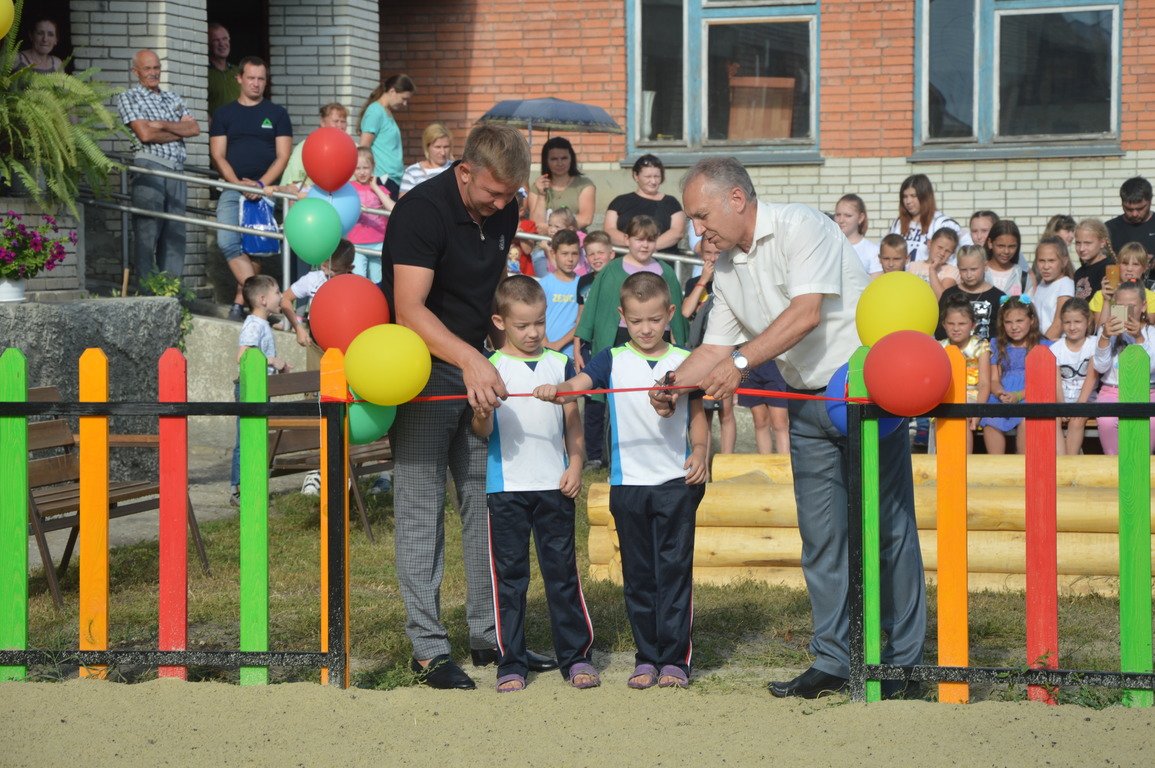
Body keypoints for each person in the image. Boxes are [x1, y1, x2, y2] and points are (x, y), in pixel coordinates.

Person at [656, 156, 925, 700]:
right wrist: (672, 382)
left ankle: (902, 664)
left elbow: (805, 313)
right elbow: (713, 347)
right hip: (804, 406)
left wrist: (735, 367)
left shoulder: (803, 225)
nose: (697, 229)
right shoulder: (726, 270)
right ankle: (835, 658)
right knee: (821, 539)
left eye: (701, 215)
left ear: (736, 199)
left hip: (862, 395)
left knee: (888, 531)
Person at [380, 123, 556, 690]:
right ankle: (428, 650)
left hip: (479, 369)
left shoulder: (503, 206)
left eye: (511, 195)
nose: (503, 206)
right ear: (464, 171)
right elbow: (409, 309)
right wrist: (471, 360)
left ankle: (491, 638)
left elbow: (487, 292)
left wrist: (503, 352)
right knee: (421, 510)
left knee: (487, 505)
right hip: (422, 369)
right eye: (493, 194)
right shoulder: (419, 213)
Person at [536, 271, 708, 689]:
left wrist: (701, 452)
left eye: (653, 319)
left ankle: (675, 661)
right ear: (621, 317)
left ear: (670, 314)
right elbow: (582, 382)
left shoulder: (686, 360)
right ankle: (646, 657)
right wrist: (561, 389)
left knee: (673, 572)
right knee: (638, 576)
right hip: (628, 486)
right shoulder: (611, 359)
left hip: (675, 484)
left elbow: (698, 418)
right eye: (635, 321)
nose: (645, 329)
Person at [470, 275, 596, 692]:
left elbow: (573, 423)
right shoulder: (488, 367)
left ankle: (576, 657)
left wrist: (575, 464)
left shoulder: (561, 365)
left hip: (555, 487)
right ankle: (511, 662)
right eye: (523, 325)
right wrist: (484, 410)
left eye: (539, 322)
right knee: (510, 578)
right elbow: (481, 430)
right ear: (500, 321)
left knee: (562, 574)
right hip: (505, 490)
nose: (533, 332)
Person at [209, 56, 293, 321]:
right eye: (251, 78)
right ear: (239, 79)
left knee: (255, 247)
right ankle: (265, 300)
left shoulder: (277, 114)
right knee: (228, 240)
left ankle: (242, 303)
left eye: (261, 79)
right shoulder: (224, 114)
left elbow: (283, 155)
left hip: (266, 189)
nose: (256, 84)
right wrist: (239, 184)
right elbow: (218, 155)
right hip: (233, 188)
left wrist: (260, 185)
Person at [116, 50, 200, 281]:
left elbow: (194, 129)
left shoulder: (173, 98)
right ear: (136, 72)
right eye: (147, 68)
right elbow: (144, 134)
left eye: (156, 68)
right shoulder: (129, 97)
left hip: (177, 169)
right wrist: (176, 130)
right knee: (147, 231)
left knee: (175, 233)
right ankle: (147, 288)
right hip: (150, 167)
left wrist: (160, 125)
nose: (153, 73)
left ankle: (171, 291)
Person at [573, 215, 688, 372]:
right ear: (627, 239)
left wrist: (678, 345)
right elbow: (590, 312)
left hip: (657, 336)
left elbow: (676, 319)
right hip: (618, 337)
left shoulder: (666, 271)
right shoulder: (610, 271)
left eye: (650, 240)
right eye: (639, 239)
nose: (645, 245)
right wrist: (579, 347)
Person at [229, 274, 290, 506]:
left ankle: (252, 485)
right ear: (263, 299)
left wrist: (277, 366)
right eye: (277, 293)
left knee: (256, 438)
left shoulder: (263, 323)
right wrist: (273, 361)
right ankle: (239, 489)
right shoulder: (254, 325)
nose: (281, 297)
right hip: (249, 389)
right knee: (246, 439)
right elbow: (243, 355)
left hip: (260, 388)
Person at [682, 238, 737, 456]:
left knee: (726, 410)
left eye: (717, 253)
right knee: (702, 412)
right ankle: (702, 463)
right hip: (702, 353)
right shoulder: (695, 282)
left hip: (728, 353)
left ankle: (727, 462)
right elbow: (686, 312)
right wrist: (703, 280)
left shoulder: (732, 279)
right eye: (707, 253)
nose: (712, 259)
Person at [979, 296, 1053, 455]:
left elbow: (1044, 383)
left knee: (1028, 420)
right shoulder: (997, 344)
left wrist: (1018, 396)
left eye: (1020, 321)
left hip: (1031, 394)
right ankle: (996, 466)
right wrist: (1000, 393)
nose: (1014, 327)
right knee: (991, 419)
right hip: (1003, 393)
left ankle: (1022, 467)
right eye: (1008, 322)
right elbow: (993, 379)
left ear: (1031, 320)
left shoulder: (1043, 346)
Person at [1092, 280, 1155, 455]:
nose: (1126, 311)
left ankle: (1141, 464)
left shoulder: (1151, 333)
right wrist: (1104, 337)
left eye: (1131, 306)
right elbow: (1100, 366)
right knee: (1106, 420)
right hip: (1113, 390)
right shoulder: (1107, 331)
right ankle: (1113, 466)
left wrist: (1139, 338)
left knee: (1150, 420)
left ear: (1143, 306)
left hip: (1147, 390)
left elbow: (1150, 368)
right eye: (1120, 306)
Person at [576, 231, 615, 471]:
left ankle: (612, 454)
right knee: (592, 406)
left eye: (601, 252)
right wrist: (578, 349)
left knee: (614, 404)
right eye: (591, 254)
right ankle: (593, 456)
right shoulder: (583, 282)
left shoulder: (619, 277)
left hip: (613, 346)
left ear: (611, 254)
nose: (596, 257)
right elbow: (581, 318)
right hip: (589, 348)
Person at [280, 239, 356, 349]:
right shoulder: (313, 279)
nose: (326, 272)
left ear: (349, 268)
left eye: (333, 270)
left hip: (346, 340)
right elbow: (285, 298)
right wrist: (298, 327)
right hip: (316, 340)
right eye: (324, 266)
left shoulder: (355, 285)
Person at [939, 294, 990, 454]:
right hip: (947, 397)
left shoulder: (980, 346)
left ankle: (964, 462)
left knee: (962, 417)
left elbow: (984, 383)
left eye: (962, 324)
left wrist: (977, 412)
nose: (956, 328)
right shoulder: (940, 348)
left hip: (973, 396)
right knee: (942, 417)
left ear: (973, 325)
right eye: (951, 323)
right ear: (943, 324)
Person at [604, 155, 687, 254]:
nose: (653, 181)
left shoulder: (671, 202)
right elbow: (608, 230)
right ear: (636, 176)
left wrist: (649, 247)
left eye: (657, 176)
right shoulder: (620, 202)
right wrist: (635, 246)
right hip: (625, 262)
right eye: (648, 177)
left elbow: (677, 232)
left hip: (661, 262)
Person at [358, 74, 415, 198]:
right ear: (392, 91)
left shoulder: (386, 112)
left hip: (394, 178)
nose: (405, 103)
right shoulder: (375, 111)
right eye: (403, 98)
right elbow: (364, 148)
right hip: (383, 178)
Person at [1054, 298, 1098, 456]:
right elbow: (1056, 382)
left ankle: (1069, 461)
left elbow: (1091, 378)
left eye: (1077, 321)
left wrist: (1079, 404)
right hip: (1062, 399)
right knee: (1053, 419)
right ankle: (1059, 461)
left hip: (1086, 400)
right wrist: (1061, 405)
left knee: (1077, 419)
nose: (1072, 327)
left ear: (1088, 321)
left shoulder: (1093, 344)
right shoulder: (1056, 348)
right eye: (1067, 322)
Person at [275, 103, 349, 196]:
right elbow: (294, 186)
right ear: (322, 122)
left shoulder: (354, 147)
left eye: (343, 121)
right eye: (336, 121)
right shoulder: (306, 147)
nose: (340, 126)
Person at [889, 174, 965, 262]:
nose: (908, 201)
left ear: (925, 196)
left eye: (913, 196)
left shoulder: (943, 223)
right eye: (905, 196)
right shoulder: (898, 223)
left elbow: (966, 251)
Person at [527, 137, 597, 231]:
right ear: (546, 161)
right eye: (554, 159)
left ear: (571, 159)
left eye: (564, 158)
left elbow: (586, 219)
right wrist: (541, 195)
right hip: (543, 243)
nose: (560, 163)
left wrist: (553, 229)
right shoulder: (537, 186)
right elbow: (536, 225)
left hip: (573, 241)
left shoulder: (584, 185)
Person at [937, 245, 1004, 341]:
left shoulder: (998, 297)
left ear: (985, 266)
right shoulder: (949, 295)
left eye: (973, 269)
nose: (969, 275)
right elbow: (940, 329)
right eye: (963, 270)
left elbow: (1002, 331)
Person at [348, 147, 395, 283]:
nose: (362, 172)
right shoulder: (349, 187)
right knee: (359, 281)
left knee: (377, 282)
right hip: (357, 243)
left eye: (366, 167)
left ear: (373, 167)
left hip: (379, 243)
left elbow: (392, 208)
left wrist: (375, 187)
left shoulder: (379, 188)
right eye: (357, 168)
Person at [1089, 242, 1155, 328]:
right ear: (1117, 265)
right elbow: (1100, 332)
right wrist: (1107, 300)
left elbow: (1147, 329)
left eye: (1136, 264)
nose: (1129, 269)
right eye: (1125, 263)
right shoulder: (1101, 295)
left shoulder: (1151, 297)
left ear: (1144, 268)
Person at [540, 229, 581, 359]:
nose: (570, 259)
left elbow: (582, 322)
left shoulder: (584, 285)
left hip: (570, 354)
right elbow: (536, 317)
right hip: (543, 350)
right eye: (565, 254)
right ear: (553, 253)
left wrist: (558, 344)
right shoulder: (543, 284)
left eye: (574, 254)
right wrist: (545, 343)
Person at [1029, 237, 1075, 340]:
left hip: (1054, 346)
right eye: (1041, 261)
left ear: (1064, 261)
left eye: (1051, 261)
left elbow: (1059, 323)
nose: (1046, 266)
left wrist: (1041, 347)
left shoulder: (1065, 284)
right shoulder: (1041, 286)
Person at [1105, 177, 1155, 261]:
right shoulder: (1109, 229)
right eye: (1129, 209)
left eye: (1140, 208)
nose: (1134, 214)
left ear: (1150, 200)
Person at [399, 123, 453, 196]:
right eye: (438, 147)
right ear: (427, 147)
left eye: (446, 147)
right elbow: (404, 205)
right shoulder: (412, 172)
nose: (442, 152)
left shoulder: (456, 169)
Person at [906, 227, 960, 298]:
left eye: (947, 251)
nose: (942, 253)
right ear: (929, 243)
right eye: (940, 247)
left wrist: (932, 270)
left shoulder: (952, 271)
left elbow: (942, 298)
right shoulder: (913, 266)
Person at [834, 194, 879, 275]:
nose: (841, 220)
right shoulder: (829, 246)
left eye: (848, 215)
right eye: (838, 215)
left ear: (861, 218)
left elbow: (876, 284)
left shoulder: (872, 250)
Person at [1073, 218, 1116, 301]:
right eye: (1078, 243)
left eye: (1087, 243)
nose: (1081, 248)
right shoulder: (1079, 273)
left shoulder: (1109, 269)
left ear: (1102, 242)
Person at [984, 219, 1027, 297]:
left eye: (1012, 246)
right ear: (990, 243)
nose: (1006, 251)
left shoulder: (1023, 277)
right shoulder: (978, 273)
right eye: (1001, 246)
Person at [207, 23, 240, 120]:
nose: (222, 44)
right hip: (218, 132)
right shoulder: (203, 73)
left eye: (225, 39)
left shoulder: (238, 71)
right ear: (208, 44)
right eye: (216, 40)